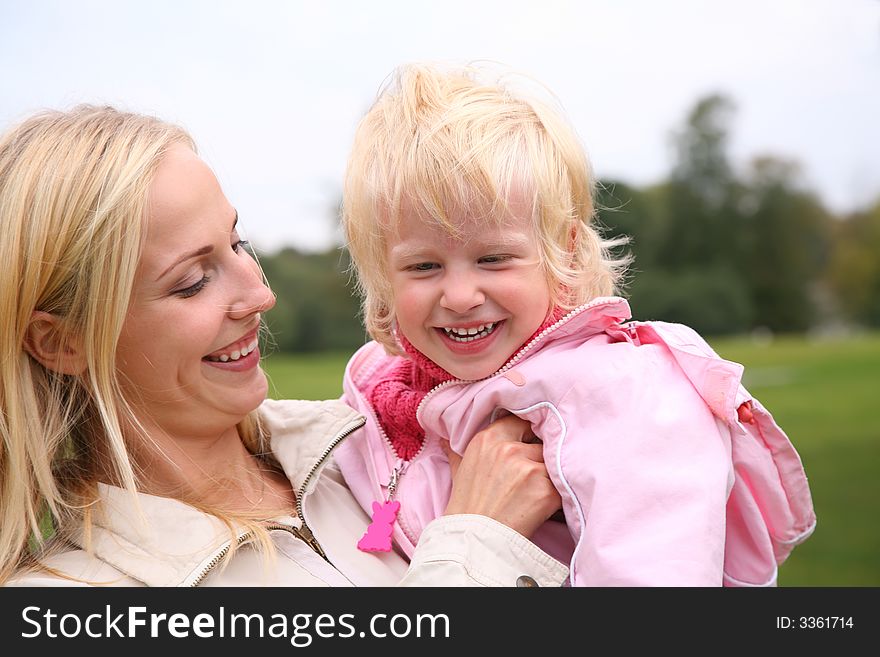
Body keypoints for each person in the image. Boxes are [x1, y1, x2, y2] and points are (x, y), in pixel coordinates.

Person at [0, 105, 569, 587]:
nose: (259, 294)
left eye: (237, 243)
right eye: (191, 282)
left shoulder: (379, 444)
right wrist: (477, 543)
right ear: (61, 341)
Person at [334, 62, 817, 586]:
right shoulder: (385, 387)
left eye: (494, 259)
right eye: (424, 266)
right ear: (383, 275)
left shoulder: (621, 394)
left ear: (561, 252)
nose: (460, 296)